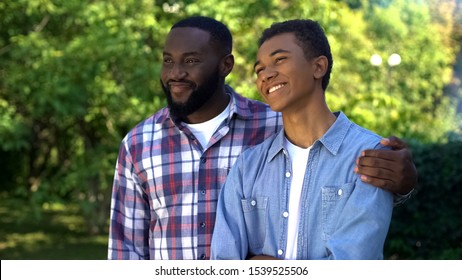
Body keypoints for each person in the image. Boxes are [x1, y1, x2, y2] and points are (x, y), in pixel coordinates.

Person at [108, 16, 416, 260]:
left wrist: (405, 181)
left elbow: (354, 259)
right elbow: (126, 251)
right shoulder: (139, 144)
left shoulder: (277, 122)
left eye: (191, 61)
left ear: (225, 65)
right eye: (167, 60)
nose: (176, 73)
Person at [211, 19, 396, 260]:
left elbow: (354, 263)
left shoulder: (369, 155)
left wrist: (262, 264)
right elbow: (224, 264)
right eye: (259, 69)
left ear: (318, 67)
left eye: (279, 60)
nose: (266, 75)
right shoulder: (248, 166)